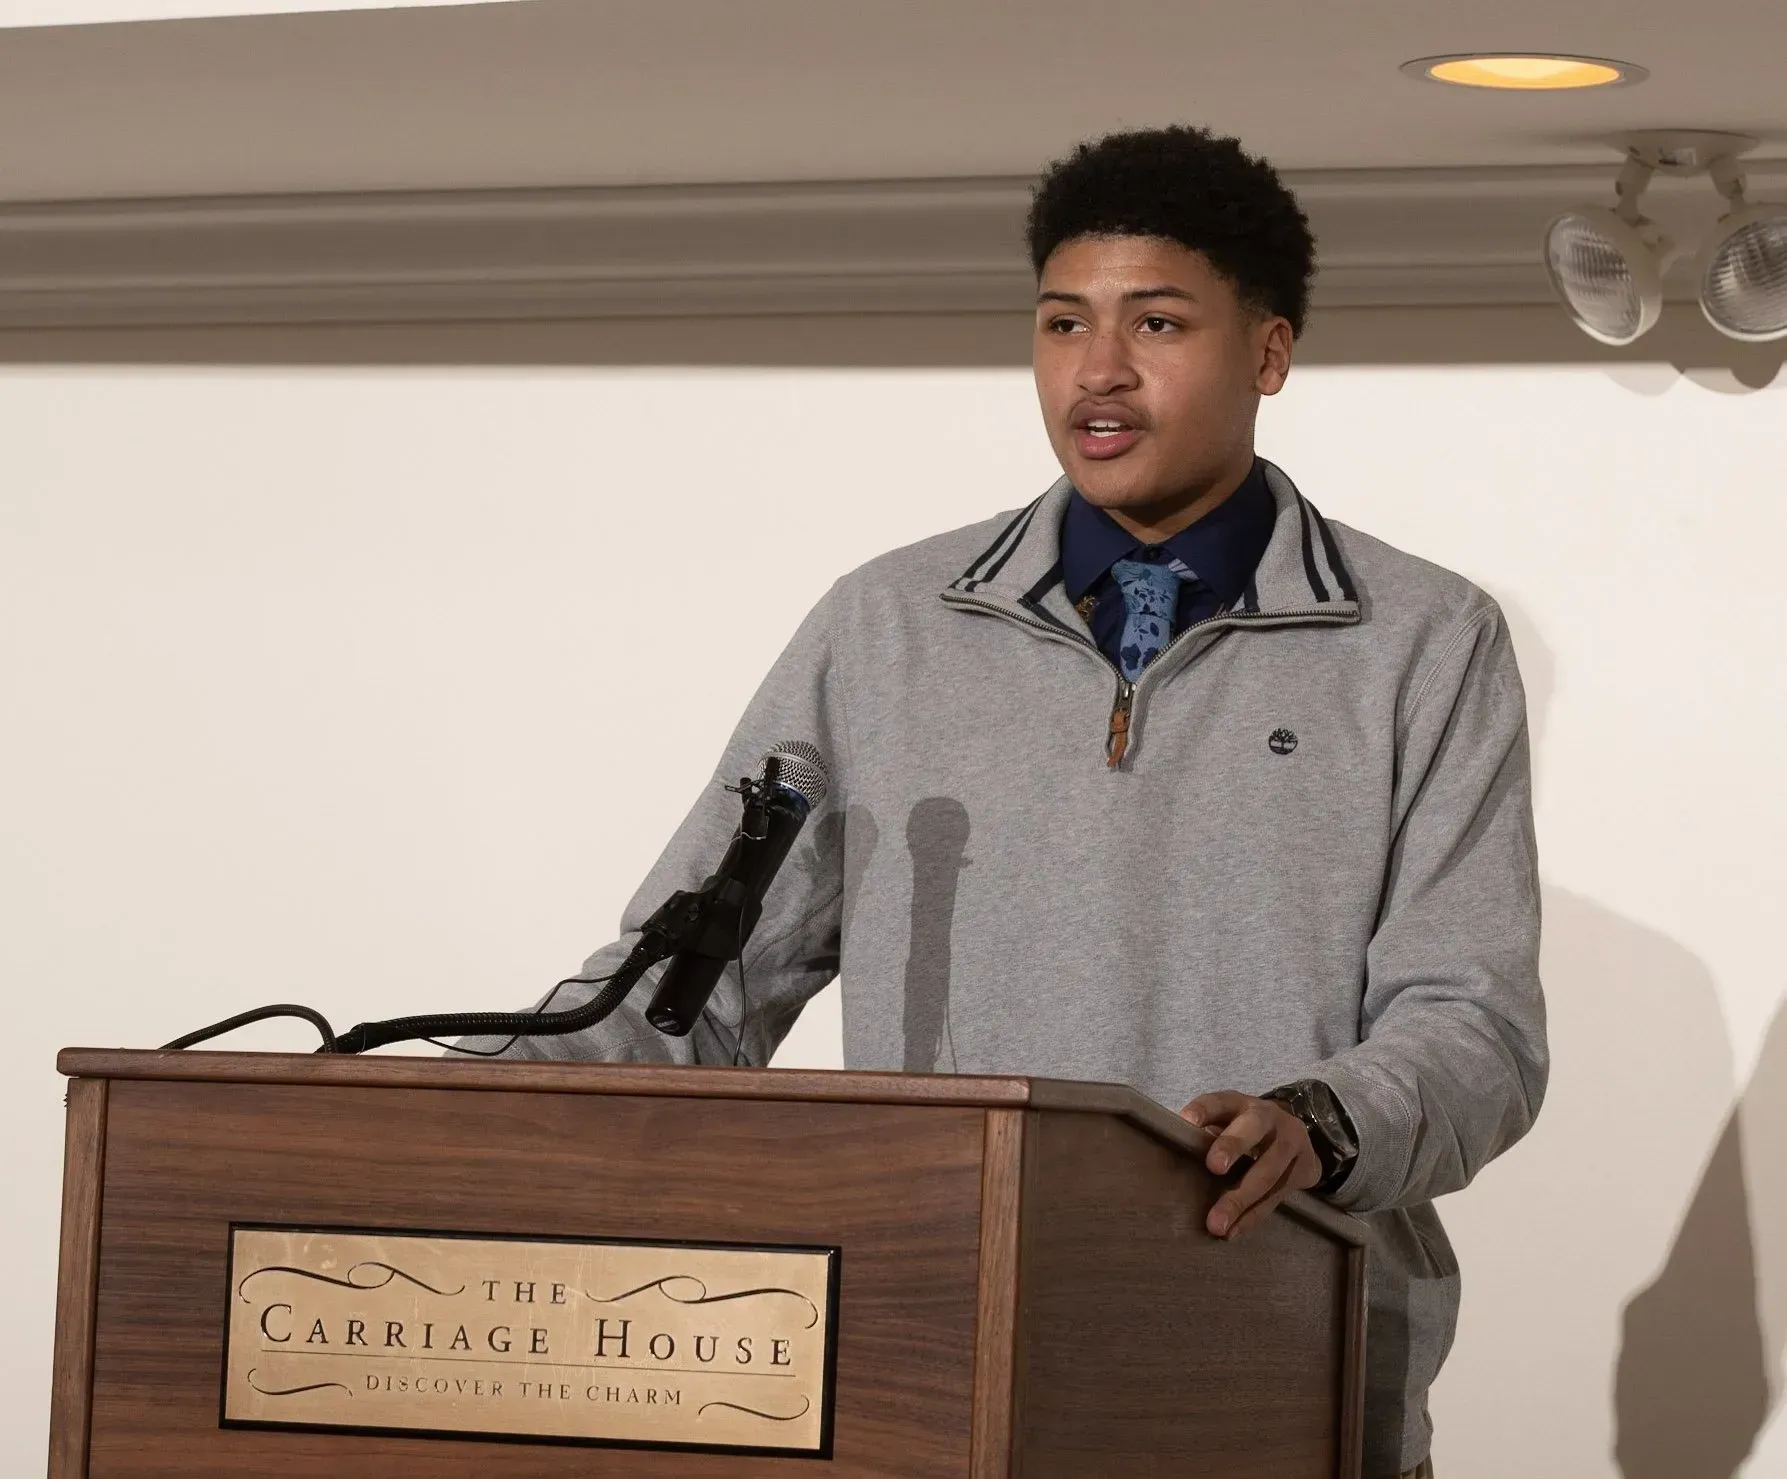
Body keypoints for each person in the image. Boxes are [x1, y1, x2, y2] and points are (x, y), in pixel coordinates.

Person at [473, 125, 1547, 1479]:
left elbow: (1477, 1027)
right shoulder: (885, 627)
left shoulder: (1420, 640)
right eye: (1060, 322)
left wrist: (1322, 1124)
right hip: (924, 1375)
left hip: (1277, 1376)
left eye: (1155, 321)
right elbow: (688, 987)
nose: (1096, 371)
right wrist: (431, 1121)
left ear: (1266, 353)